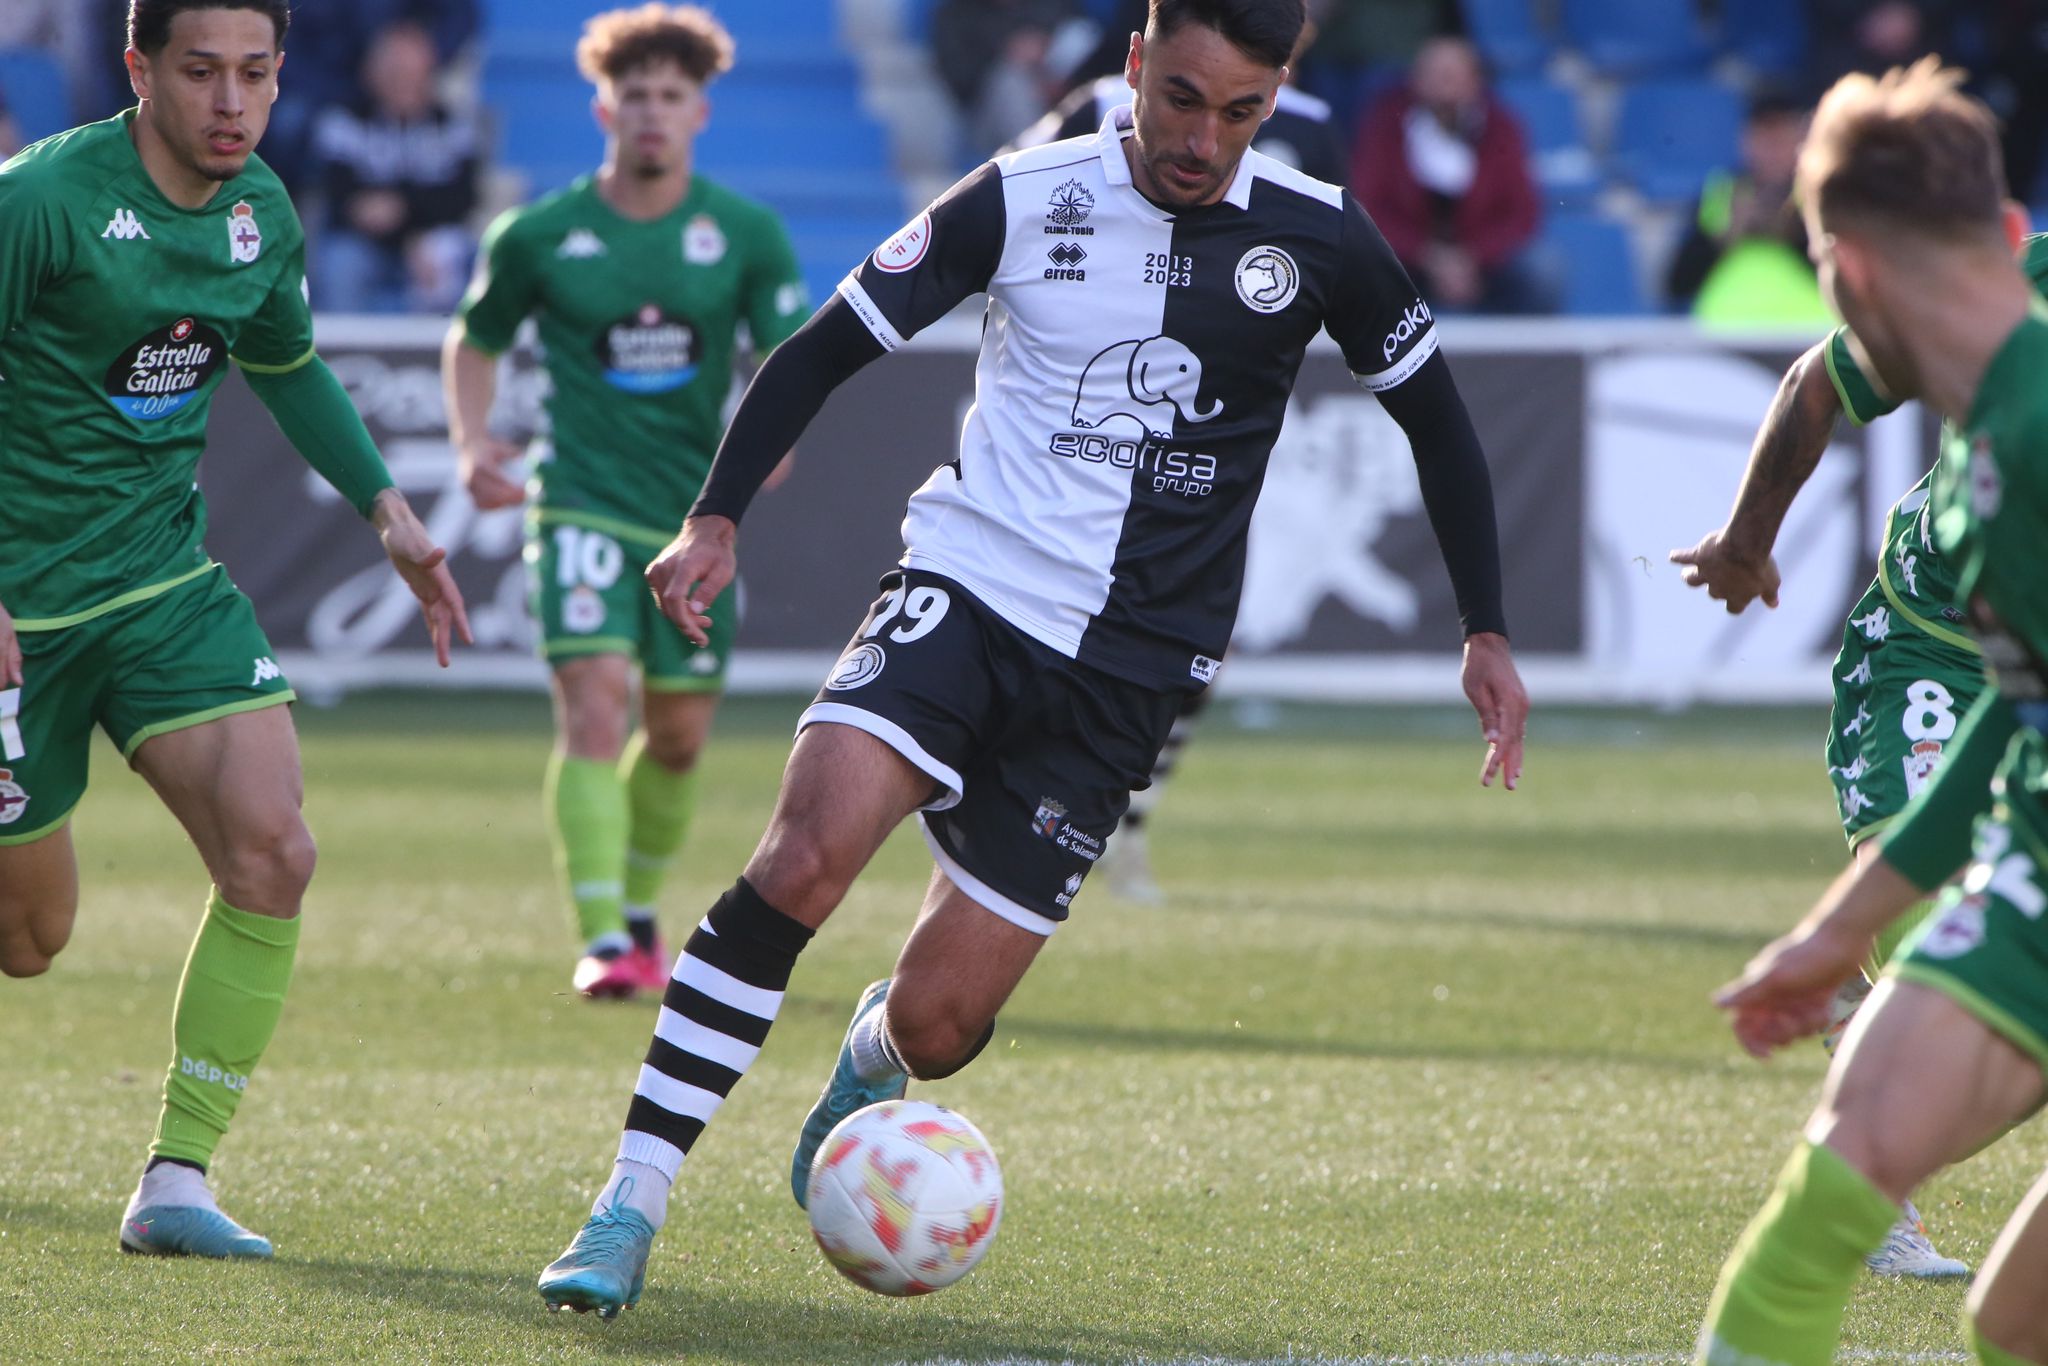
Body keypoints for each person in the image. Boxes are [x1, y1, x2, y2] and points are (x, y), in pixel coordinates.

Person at [535, 0, 1528, 1317]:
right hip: (971, 583)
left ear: (1277, 99)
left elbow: (1442, 426)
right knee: (803, 855)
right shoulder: (1023, 197)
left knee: (944, 1025)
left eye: (1239, 112)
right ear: (1133, 67)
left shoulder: (1321, 236)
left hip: (1131, 670)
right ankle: (630, 1199)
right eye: (1180, 97)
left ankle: (874, 1055)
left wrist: (1484, 626)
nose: (1202, 138)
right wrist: (715, 514)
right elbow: (826, 345)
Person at [0, 0, 470, 1260]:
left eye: (254, 75)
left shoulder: (261, 207)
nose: (229, 104)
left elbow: (290, 362)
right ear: (138, 68)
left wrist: (387, 511)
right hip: (16, 611)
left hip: (160, 587)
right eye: (201, 72)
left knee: (274, 849)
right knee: (30, 942)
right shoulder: (39, 200)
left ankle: (176, 1178)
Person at [1691, 59, 2048, 1366]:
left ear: (1847, 274)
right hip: (2038, 873)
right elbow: (2021, 716)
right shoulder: (1976, 478)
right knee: (1862, 1210)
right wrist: (1835, 934)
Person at [443, 3, 808, 1002]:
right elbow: (472, 341)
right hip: (580, 508)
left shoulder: (742, 234)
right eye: (633, 94)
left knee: (679, 735)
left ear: (700, 111)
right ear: (602, 106)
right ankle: (604, 936)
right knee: (594, 711)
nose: (650, 112)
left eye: (670, 96)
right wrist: (472, 442)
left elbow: (788, 362)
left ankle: (641, 911)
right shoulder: (542, 233)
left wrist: (768, 450)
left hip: (695, 520)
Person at [1350, 35, 1547, 315]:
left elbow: (1521, 211)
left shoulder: (1502, 128)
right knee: (1361, 266)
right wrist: (1426, 255)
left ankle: (1530, 356)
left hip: (1484, 261)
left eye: (1452, 75)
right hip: (1409, 257)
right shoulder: (1386, 125)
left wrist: (1472, 258)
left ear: (1475, 80)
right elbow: (1369, 204)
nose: (1443, 84)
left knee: (1542, 268)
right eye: (1434, 74)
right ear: (1415, 79)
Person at [308, 20, 481, 314]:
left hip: (431, 240)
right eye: (395, 73)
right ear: (371, 72)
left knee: (451, 254)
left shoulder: (453, 126)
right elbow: (343, 198)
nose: (404, 84)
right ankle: (345, 356)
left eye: (413, 74)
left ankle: (445, 354)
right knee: (341, 261)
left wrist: (402, 211)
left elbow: (461, 197)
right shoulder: (343, 122)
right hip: (361, 243)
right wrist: (409, 217)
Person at [1663, 86, 1829, 327]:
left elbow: (1848, 277)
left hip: (1808, 334)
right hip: (1726, 333)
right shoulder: (1719, 195)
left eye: (1781, 140)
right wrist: (1722, 238)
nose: (1772, 152)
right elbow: (1676, 285)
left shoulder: (1821, 196)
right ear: (1745, 141)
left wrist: (1793, 234)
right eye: (1764, 139)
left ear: (1801, 141)